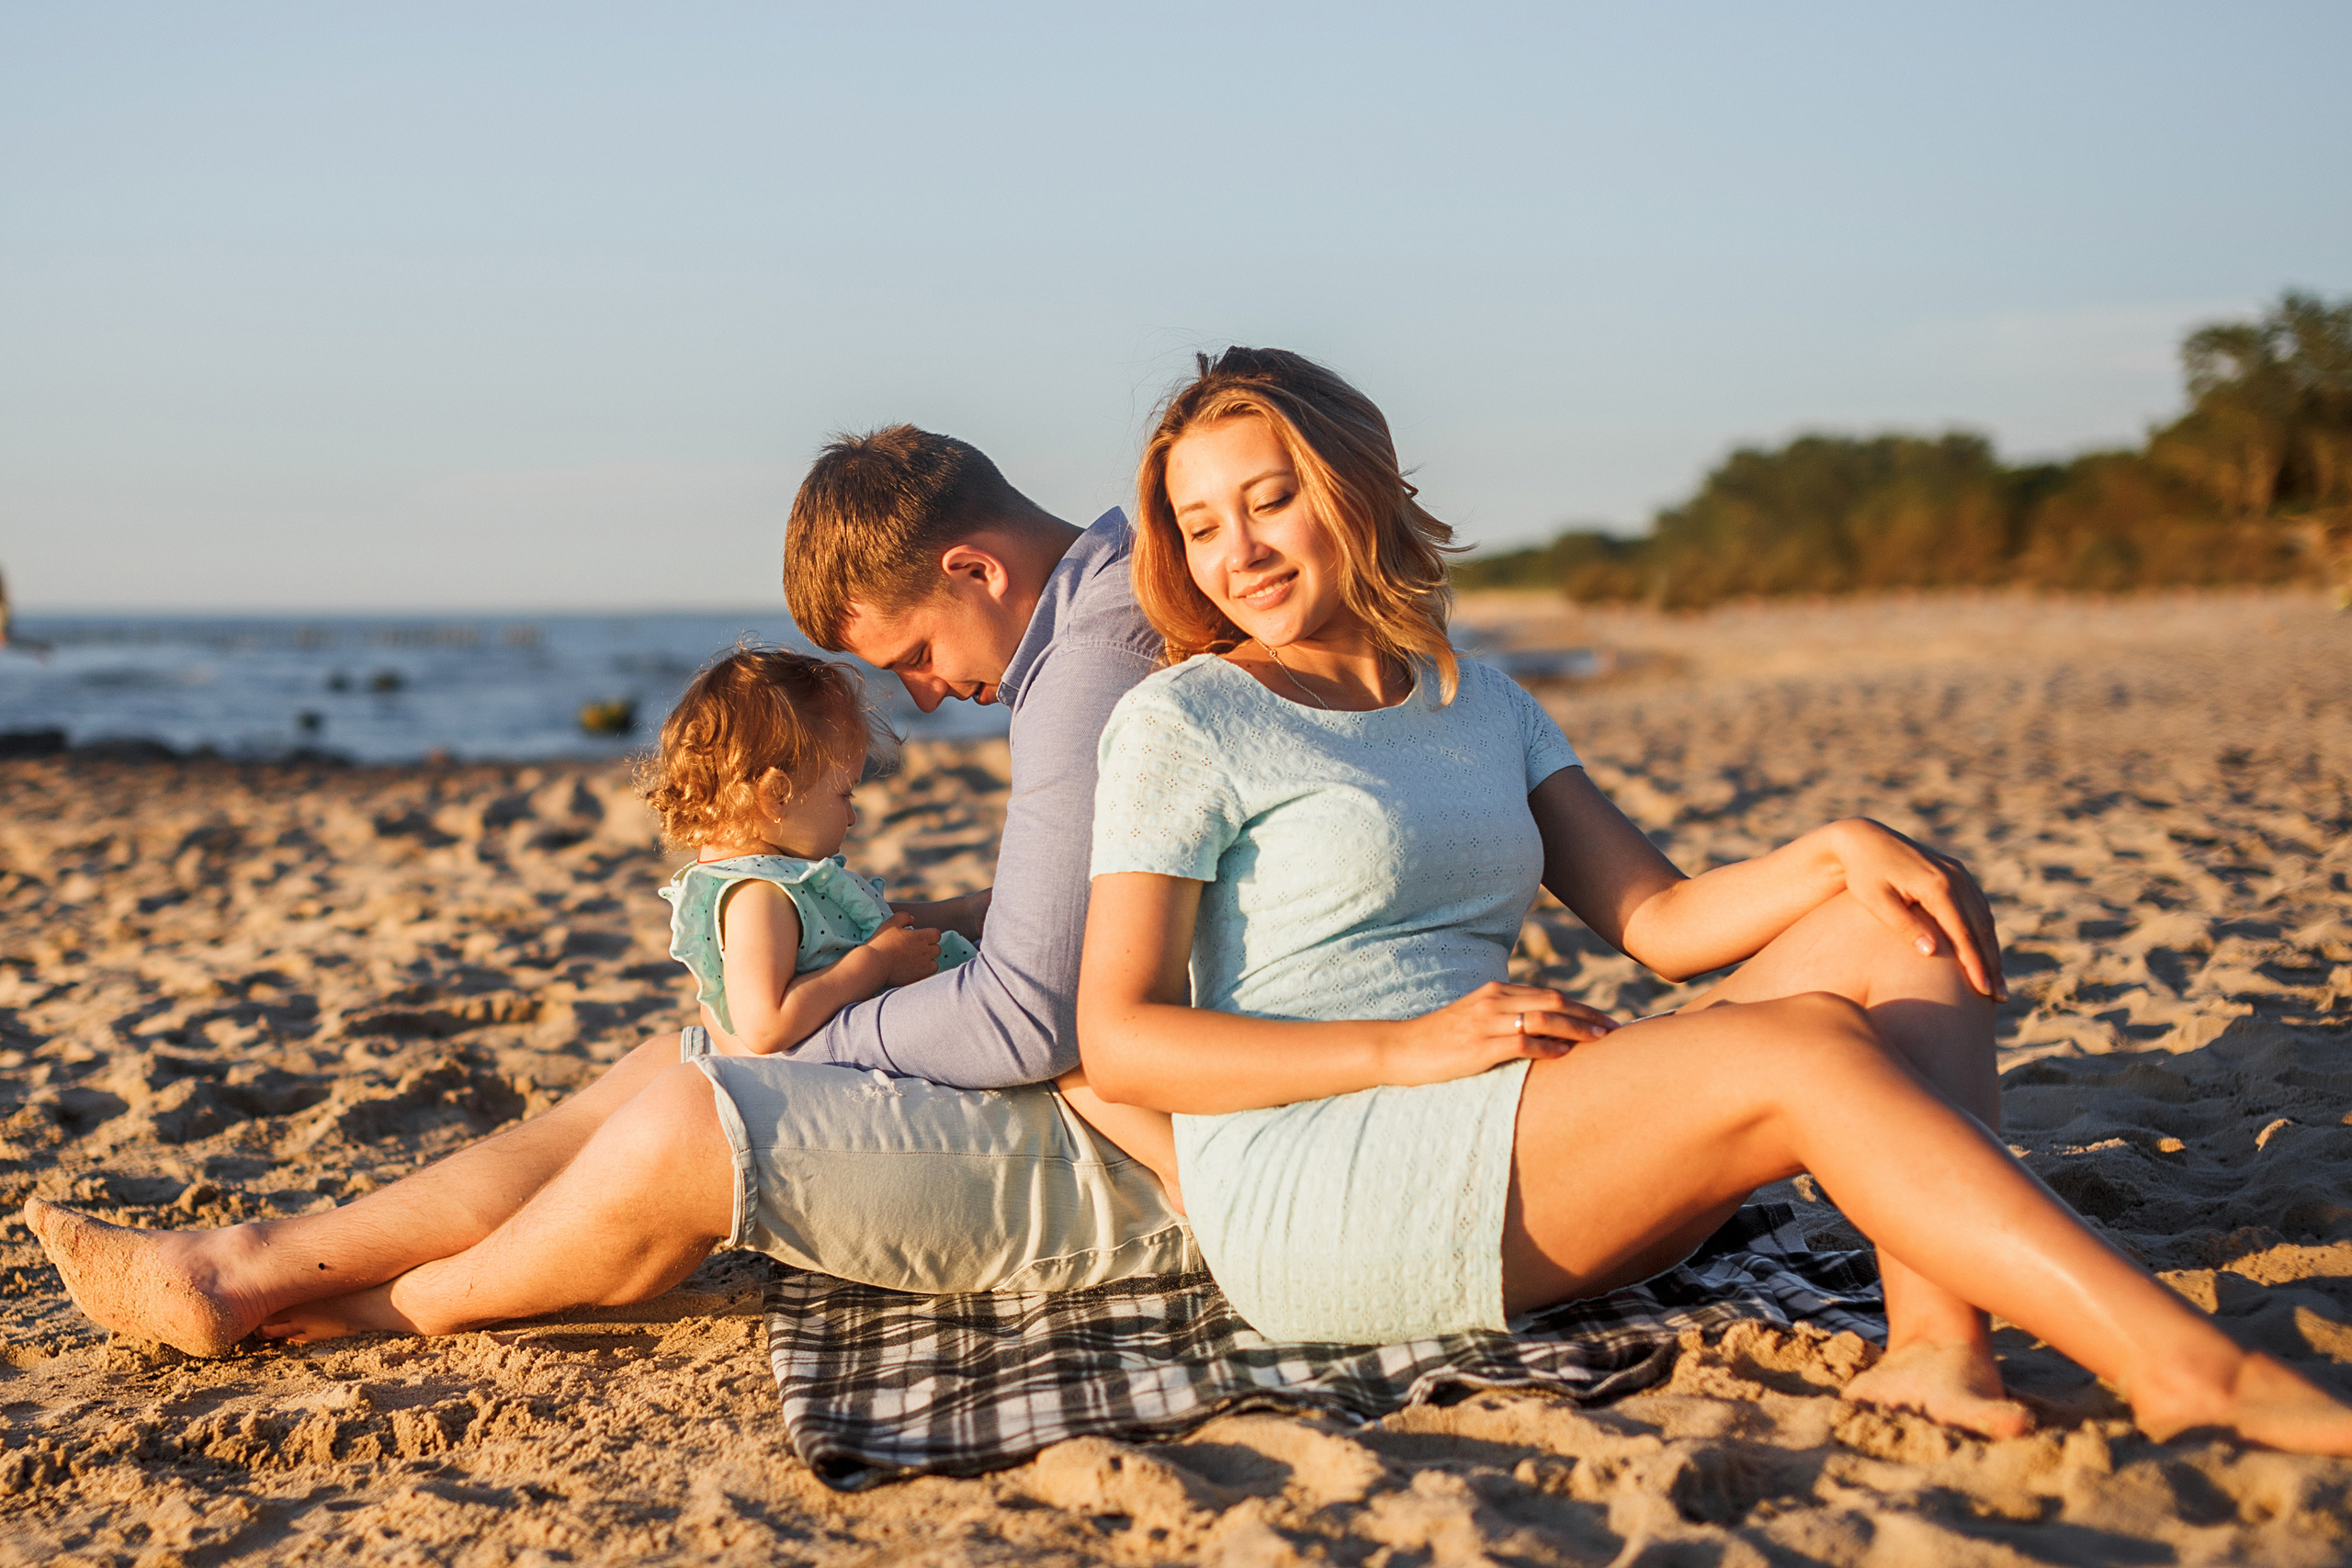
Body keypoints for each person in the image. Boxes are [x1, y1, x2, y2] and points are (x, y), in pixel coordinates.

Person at [1070, 344, 2352, 1453]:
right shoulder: (1186, 721)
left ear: (1352, 488)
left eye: (1269, 500)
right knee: (1798, 1046)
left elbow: (1663, 924)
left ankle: (1940, 1344)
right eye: (1198, 524)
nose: (1235, 550)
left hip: (1511, 1128)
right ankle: (2182, 1363)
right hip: (1331, 1181)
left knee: (1900, 910)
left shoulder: (1477, 699)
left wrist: (1844, 845)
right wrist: (1406, 1050)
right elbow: (1121, 1035)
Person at [23, 426, 1196, 1354]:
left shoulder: (1090, 661)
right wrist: (935, 932)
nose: (929, 698)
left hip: (1140, 1139)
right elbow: (1110, 895)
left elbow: (1028, 1019)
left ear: (974, 569)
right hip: (1112, 1070)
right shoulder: (1095, 611)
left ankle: (387, 1307)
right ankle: (251, 1264)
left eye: (914, 658)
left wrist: (811, 1019)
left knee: (697, 1109)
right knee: (672, 1061)